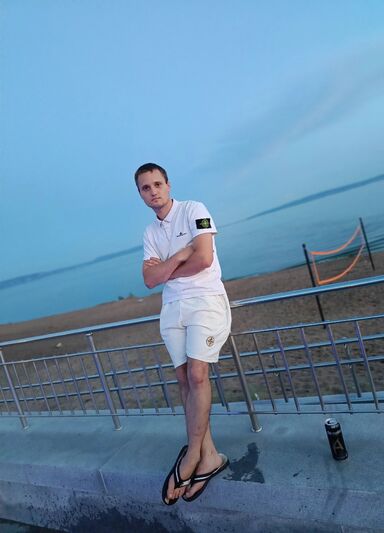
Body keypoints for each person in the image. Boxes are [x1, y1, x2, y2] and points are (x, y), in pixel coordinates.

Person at [135, 162, 231, 505]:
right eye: (145, 188)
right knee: (184, 380)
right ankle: (210, 456)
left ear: (168, 184)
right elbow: (149, 280)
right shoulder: (150, 233)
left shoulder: (194, 210)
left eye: (157, 184)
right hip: (172, 308)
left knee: (198, 373)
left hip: (205, 300)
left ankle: (191, 455)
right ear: (140, 194)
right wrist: (180, 253)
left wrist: (167, 269)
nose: (153, 191)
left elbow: (204, 258)